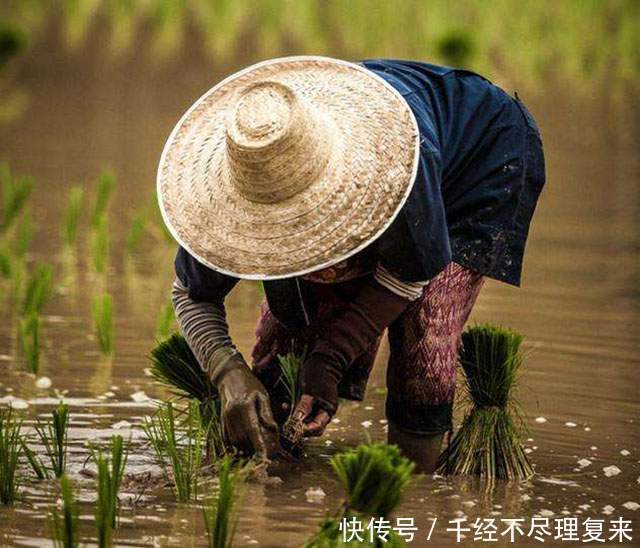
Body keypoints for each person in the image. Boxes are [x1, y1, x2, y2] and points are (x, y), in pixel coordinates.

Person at [158, 56, 545, 472]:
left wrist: (332, 358)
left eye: (306, 225)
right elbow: (191, 293)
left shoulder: (395, 168)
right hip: (364, 157)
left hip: (478, 158)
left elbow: (412, 271)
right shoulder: (230, 193)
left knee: (425, 333)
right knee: (287, 329)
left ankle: (407, 483)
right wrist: (227, 372)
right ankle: (275, 457)